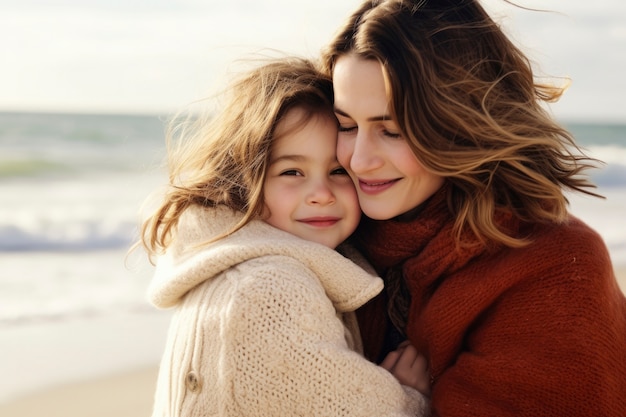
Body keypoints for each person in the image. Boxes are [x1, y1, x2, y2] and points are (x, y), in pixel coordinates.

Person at [320, 0, 626, 416]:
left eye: (391, 130)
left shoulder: (555, 266)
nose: (359, 159)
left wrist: (394, 406)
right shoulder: (329, 232)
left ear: (458, 123)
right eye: (347, 126)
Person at [139, 56, 429, 416]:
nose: (321, 193)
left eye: (338, 171)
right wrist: (409, 395)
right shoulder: (271, 290)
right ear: (245, 183)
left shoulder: (235, 262)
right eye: (292, 171)